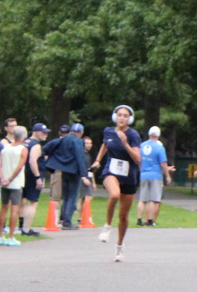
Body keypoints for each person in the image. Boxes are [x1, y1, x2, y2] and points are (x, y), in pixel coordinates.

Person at [92, 105, 142, 261]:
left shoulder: (133, 134)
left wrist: (125, 143)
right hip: (111, 171)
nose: (122, 118)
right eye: (119, 115)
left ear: (130, 119)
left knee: (123, 216)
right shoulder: (108, 131)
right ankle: (107, 226)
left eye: (125, 116)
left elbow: (138, 158)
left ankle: (119, 246)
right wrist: (98, 160)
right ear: (115, 116)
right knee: (114, 194)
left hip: (128, 176)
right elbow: (105, 144)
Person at [41, 123, 90, 229]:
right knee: (72, 196)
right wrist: (83, 174)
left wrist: (51, 157)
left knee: (66, 196)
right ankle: (67, 222)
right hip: (74, 171)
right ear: (81, 132)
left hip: (64, 170)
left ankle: (63, 219)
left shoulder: (63, 139)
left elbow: (46, 148)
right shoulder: (79, 141)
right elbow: (80, 156)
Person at [0, 125, 28, 245]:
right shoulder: (23, 149)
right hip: (15, 183)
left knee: (4, 207)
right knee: (14, 209)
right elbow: (20, 166)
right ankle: (11, 237)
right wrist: (10, 179)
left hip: (4, 182)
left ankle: (0, 235)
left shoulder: (5, 147)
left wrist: (1, 178)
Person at [138, 126, 173, 226]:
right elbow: (163, 163)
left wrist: (141, 169)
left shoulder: (142, 146)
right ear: (159, 135)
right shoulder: (159, 147)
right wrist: (167, 175)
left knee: (142, 199)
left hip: (144, 174)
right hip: (155, 175)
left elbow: (139, 160)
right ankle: (150, 220)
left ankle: (139, 219)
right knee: (153, 199)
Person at [19, 123, 48, 236]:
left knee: (21, 200)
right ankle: (26, 229)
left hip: (22, 174)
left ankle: (21, 225)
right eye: (43, 133)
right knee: (32, 202)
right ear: (37, 132)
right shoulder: (36, 145)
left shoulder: (25, 142)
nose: (46, 135)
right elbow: (32, 161)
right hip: (32, 176)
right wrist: (38, 177)